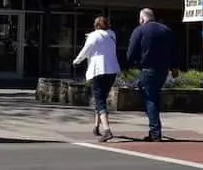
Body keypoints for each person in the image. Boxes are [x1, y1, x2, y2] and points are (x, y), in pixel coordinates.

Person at [126, 8, 177, 141]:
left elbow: (131, 51)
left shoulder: (140, 30)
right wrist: (174, 67)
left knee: (150, 100)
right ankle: (154, 130)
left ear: (142, 19)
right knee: (154, 98)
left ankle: (155, 132)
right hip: (163, 70)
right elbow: (174, 50)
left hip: (148, 69)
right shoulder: (166, 30)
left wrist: (130, 64)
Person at [73, 16, 121, 142]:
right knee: (102, 97)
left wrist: (76, 61)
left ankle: (107, 130)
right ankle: (96, 126)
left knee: (99, 100)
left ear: (95, 25)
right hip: (112, 70)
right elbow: (104, 38)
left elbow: (86, 50)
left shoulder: (93, 37)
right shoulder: (112, 35)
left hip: (98, 70)